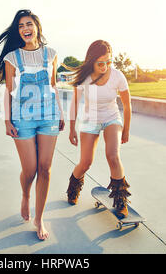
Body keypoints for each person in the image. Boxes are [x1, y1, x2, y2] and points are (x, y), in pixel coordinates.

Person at [0, 9, 65, 240]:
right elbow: (8, 91)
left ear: (37, 26)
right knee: (30, 170)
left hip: (49, 116)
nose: (25, 29)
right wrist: (7, 120)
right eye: (20, 26)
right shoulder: (12, 58)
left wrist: (62, 114)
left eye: (29, 24)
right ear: (18, 31)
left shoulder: (52, 53)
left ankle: (40, 218)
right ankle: (26, 194)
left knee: (45, 169)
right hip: (22, 118)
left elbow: (54, 86)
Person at [66, 40, 132, 218]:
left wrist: (126, 129)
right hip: (90, 119)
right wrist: (71, 129)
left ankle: (120, 200)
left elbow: (127, 105)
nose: (105, 66)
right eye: (100, 63)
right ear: (92, 61)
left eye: (109, 62)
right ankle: (73, 187)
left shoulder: (118, 76)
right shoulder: (85, 78)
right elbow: (73, 104)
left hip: (111, 118)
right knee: (86, 162)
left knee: (113, 156)